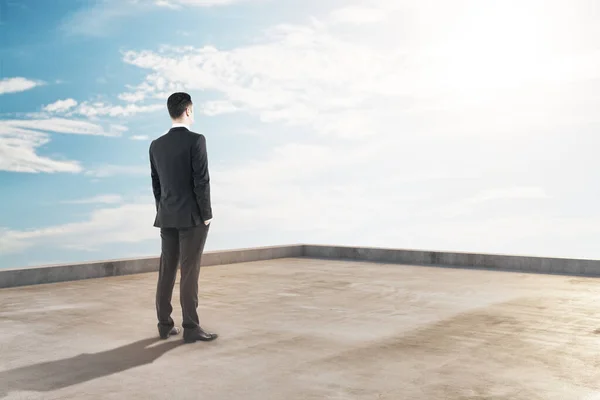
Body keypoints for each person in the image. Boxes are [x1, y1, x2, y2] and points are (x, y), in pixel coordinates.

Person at [149, 92, 218, 343]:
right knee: (189, 271)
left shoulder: (156, 145)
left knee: (166, 270)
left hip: (166, 216)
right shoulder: (196, 140)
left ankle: (164, 325)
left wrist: (163, 209)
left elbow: (156, 184)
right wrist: (207, 214)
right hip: (192, 218)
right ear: (188, 110)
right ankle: (190, 327)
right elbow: (202, 180)